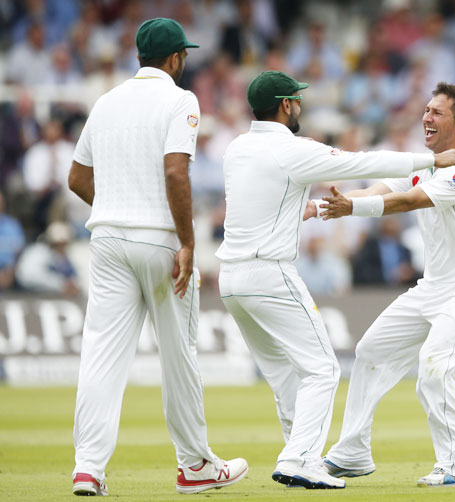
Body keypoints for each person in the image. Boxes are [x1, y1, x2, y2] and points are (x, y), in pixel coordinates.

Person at [216, 70, 455, 490]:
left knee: (285, 376)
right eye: (296, 100)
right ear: (286, 105)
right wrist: (431, 159)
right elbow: (360, 162)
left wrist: (318, 209)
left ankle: (300, 454)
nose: (299, 105)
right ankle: (301, 457)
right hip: (269, 272)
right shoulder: (293, 149)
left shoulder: (237, 148)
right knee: (322, 369)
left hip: (230, 279)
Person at [67, 18, 247, 497]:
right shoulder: (179, 99)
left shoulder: (105, 102)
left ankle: (88, 469)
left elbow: (77, 178)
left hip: (107, 240)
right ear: (175, 59)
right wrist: (188, 242)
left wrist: (116, 206)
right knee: (178, 355)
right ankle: (194, 466)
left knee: (100, 356)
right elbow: (175, 173)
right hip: (160, 242)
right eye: (183, 56)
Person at [320, 83, 455, 488]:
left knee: (434, 368)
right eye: (426, 109)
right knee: (369, 351)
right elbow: (380, 190)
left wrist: (353, 207)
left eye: (437, 112)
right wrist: (326, 206)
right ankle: (351, 453)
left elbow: (409, 202)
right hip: (433, 288)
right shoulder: (426, 161)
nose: (426, 117)